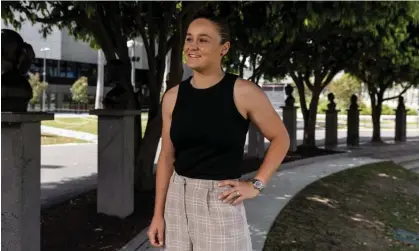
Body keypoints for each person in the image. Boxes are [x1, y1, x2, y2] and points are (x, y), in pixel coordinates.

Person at [148, 14, 290, 251]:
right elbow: (166, 157)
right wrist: (158, 215)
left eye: (203, 40)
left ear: (224, 48)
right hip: (177, 200)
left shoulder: (243, 92)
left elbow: (281, 138)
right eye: (189, 39)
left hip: (220, 201)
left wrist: (256, 184)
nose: (192, 46)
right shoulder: (172, 97)